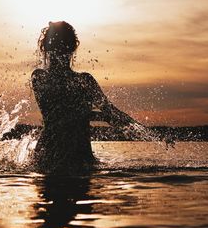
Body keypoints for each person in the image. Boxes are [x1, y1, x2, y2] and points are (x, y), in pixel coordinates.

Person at [31, 21, 138, 173]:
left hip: (71, 156)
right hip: (54, 155)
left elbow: (110, 113)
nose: (60, 50)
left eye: (62, 45)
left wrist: (142, 130)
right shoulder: (40, 77)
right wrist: (100, 115)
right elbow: (57, 114)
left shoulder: (84, 80)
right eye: (58, 45)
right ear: (74, 47)